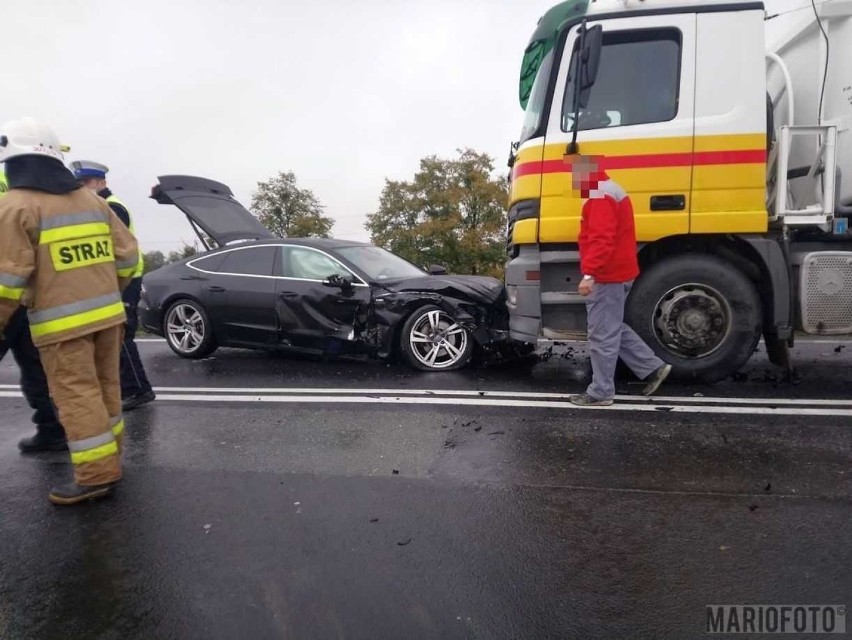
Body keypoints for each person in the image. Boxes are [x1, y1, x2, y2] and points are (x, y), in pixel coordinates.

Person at [0, 117, 139, 505]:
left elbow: (7, 281)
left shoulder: (14, 207)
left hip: (60, 324)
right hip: (108, 316)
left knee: (77, 397)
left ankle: (95, 476)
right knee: (107, 390)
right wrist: (107, 291)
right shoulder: (91, 201)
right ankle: (110, 464)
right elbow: (128, 257)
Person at [568, 155, 672, 407]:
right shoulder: (610, 190)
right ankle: (653, 367)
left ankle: (601, 392)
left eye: (575, 174)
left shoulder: (600, 196)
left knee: (602, 333)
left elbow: (602, 239)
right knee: (611, 327)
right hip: (618, 272)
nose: (573, 180)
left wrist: (590, 274)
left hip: (607, 275)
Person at [71, 160, 155, 411]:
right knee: (111, 335)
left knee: (122, 335)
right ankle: (125, 387)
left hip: (124, 278)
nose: (83, 188)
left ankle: (138, 389)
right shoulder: (96, 206)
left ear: (102, 183)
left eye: (88, 183)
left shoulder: (112, 207)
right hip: (110, 279)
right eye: (80, 184)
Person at [0, 169, 67, 452]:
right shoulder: (12, 186)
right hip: (26, 295)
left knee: (35, 367)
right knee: (35, 366)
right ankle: (51, 428)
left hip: (7, 295)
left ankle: (51, 428)